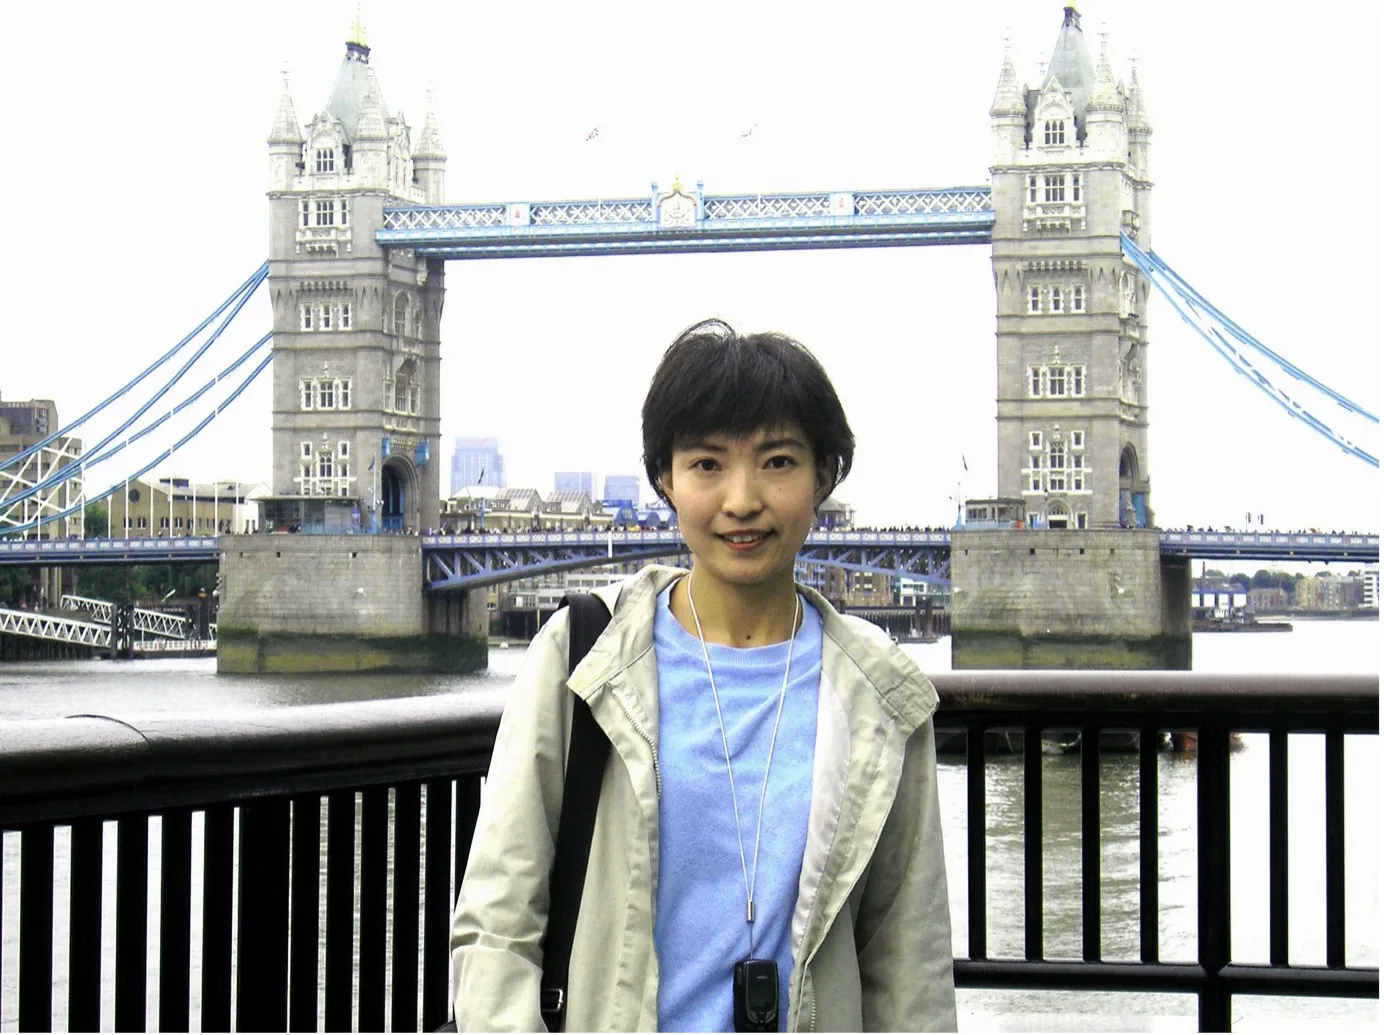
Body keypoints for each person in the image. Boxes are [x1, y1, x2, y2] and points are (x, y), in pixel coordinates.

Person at [451, 318, 956, 1032]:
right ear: (666, 478)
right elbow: (497, 926)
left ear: (825, 477)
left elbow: (911, 967)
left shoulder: (880, 690)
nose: (742, 499)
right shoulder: (581, 659)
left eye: (778, 461)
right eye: (707, 464)